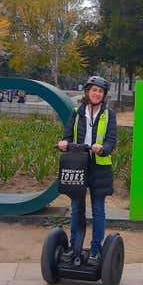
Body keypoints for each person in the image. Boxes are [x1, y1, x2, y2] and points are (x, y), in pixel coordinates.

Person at [56, 75, 117, 266]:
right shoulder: (77, 112)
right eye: (94, 90)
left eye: (100, 91)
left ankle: (96, 250)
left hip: (100, 167)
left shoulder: (109, 114)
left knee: (98, 209)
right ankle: (74, 247)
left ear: (103, 94)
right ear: (87, 92)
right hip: (78, 165)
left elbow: (111, 140)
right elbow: (67, 135)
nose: (97, 94)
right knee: (76, 209)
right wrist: (64, 143)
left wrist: (103, 148)